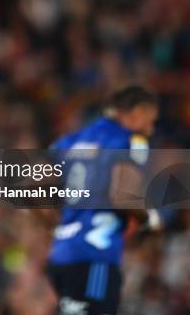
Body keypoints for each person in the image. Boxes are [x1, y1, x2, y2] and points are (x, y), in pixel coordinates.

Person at [46, 86, 161, 315]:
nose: (151, 129)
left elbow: (30, 186)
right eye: (150, 121)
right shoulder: (130, 140)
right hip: (95, 256)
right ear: (136, 112)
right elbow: (123, 196)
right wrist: (151, 219)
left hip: (61, 256)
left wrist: (56, 226)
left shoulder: (70, 141)